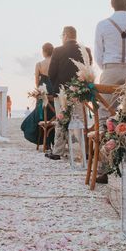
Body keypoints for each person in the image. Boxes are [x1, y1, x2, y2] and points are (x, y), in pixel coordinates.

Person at [46, 26, 89, 160]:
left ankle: (58, 151)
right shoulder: (85, 50)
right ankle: (82, 151)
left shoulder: (58, 50)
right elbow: (88, 70)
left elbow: (51, 73)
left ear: (65, 35)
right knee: (80, 121)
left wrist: (55, 87)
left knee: (61, 119)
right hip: (80, 92)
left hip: (62, 91)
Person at [21, 42, 55, 146]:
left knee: (40, 114)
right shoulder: (55, 63)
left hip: (43, 93)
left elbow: (37, 82)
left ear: (44, 52)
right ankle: (51, 139)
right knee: (53, 114)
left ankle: (44, 141)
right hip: (54, 93)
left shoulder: (39, 64)